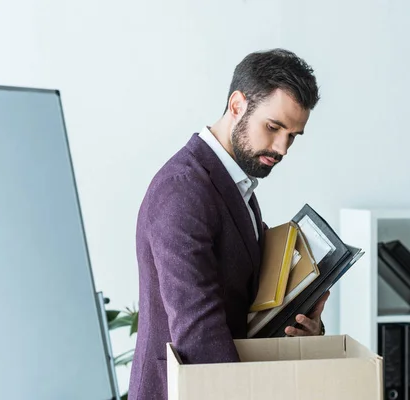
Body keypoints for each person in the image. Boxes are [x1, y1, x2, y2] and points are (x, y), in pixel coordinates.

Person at [128, 48, 328, 399]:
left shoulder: (236, 185)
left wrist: (300, 324)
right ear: (237, 105)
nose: (282, 148)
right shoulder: (184, 189)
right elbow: (198, 329)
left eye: (293, 135)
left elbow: (250, 298)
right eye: (274, 127)